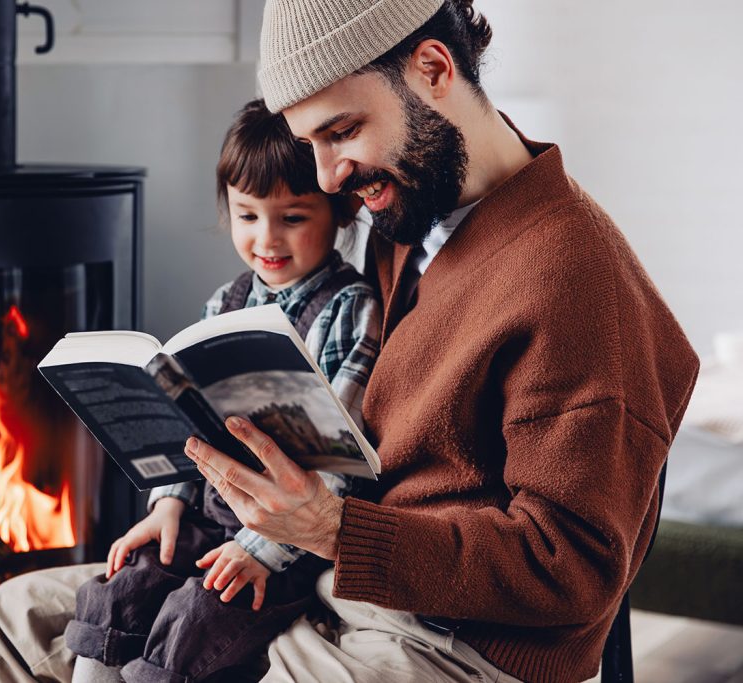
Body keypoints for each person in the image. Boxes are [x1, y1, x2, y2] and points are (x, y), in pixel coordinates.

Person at [179, 1, 701, 682]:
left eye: (343, 130)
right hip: (332, 589)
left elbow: (570, 566)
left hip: (451, 646)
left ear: (431, 68)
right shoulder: (413, 213)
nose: (329, 174)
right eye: (312, 143)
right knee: (14, 619)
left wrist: (330, 528)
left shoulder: (576, 277)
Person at [0, 99, 382, 683]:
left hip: (287, 542)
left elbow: (340, 461)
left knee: (193, 617)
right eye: (247, 215)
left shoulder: (349, 310)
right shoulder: (225, 303)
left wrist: (259, 552)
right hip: (210, 517)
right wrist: (169, 505)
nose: (268, 239)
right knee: (124, 583)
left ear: (338, 215)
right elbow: (188, 424)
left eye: (293, 217)